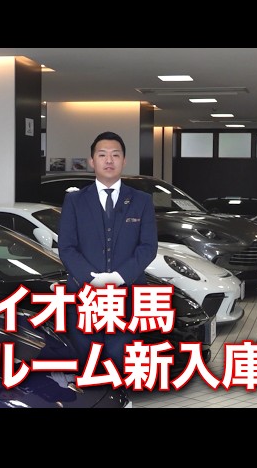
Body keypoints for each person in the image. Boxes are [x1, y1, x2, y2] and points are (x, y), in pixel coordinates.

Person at [57, 131, 158, 373]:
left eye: (115, 155)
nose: (109, 160)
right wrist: (91, 278)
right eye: (102, 155)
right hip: (84, 295)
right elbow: (67, 247)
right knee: (86, 362)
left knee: (123, 362)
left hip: (128, 296)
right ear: (92, 161)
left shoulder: (142, 200)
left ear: (124, 160)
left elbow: (148, 247)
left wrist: (119, 277)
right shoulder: (75, 201)